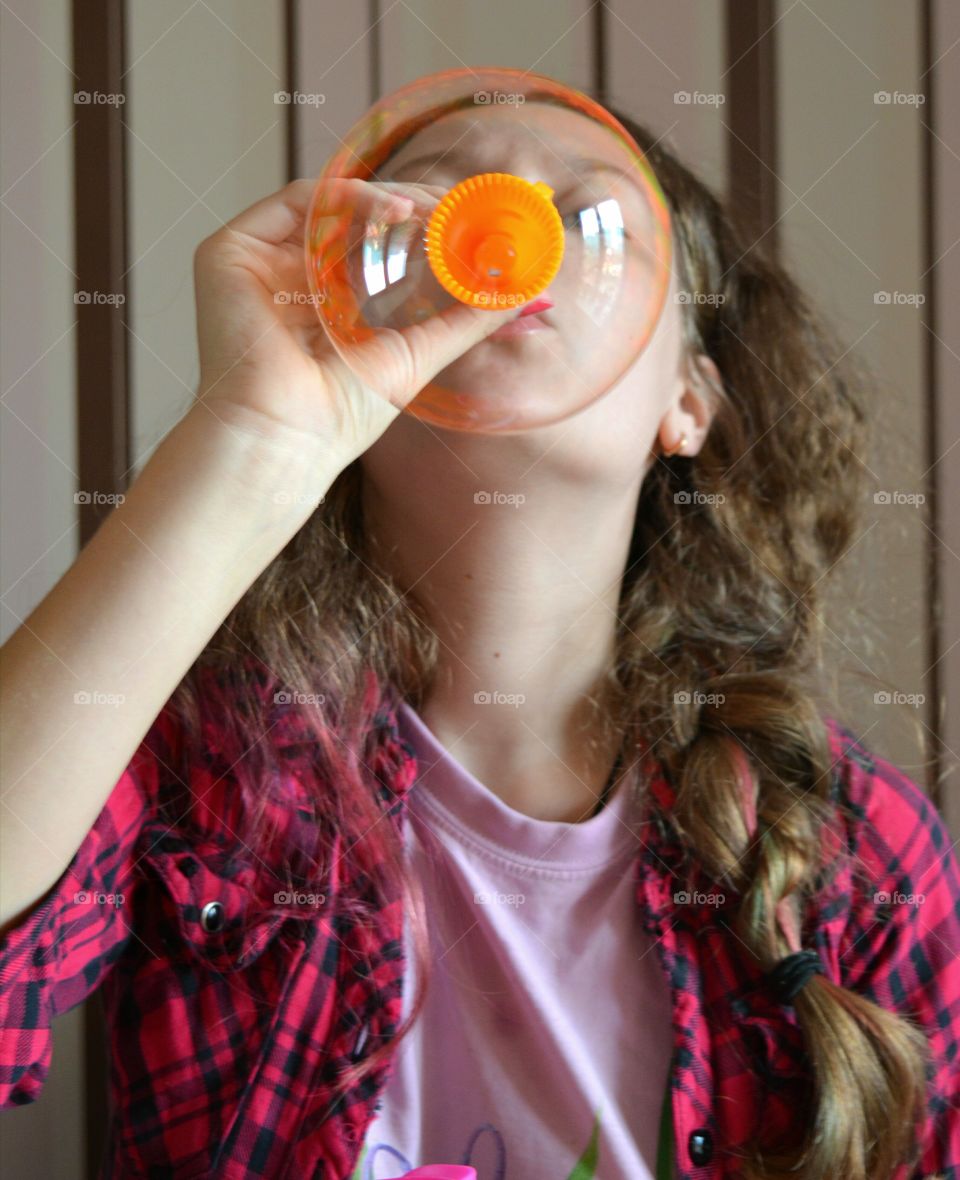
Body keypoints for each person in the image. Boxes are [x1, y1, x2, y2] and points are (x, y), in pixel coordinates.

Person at [1, 90, 957, 1180]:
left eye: (590, 216)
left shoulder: (854, 847)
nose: (508, 225)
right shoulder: (202, 765)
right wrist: (252, 435)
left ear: (688, 401)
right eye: (432, 206)